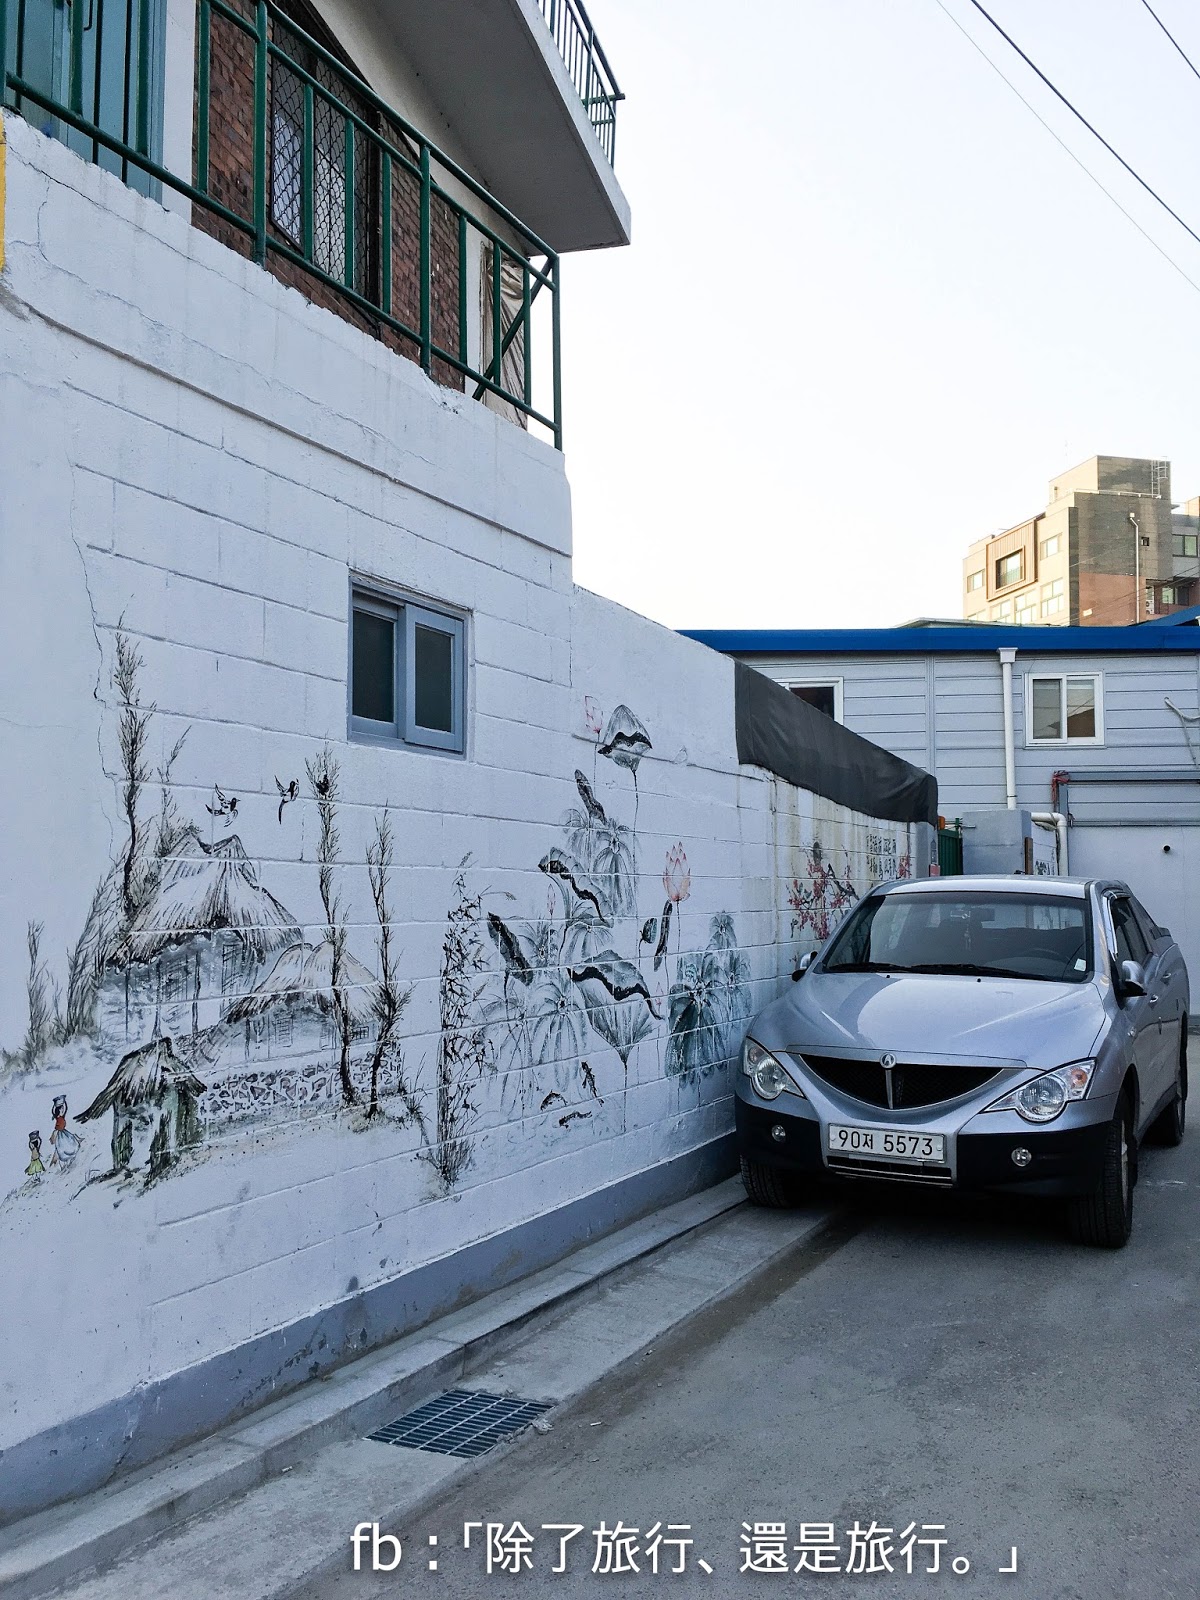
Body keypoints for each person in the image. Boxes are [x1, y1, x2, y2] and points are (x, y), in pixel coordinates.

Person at [49, 1095, 82, 1171]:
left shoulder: (62, 1116)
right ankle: (64, 1163)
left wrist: (64, 1102)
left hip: (64, 1133)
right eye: (61, 1109)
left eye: (62, 1109)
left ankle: (68, 1160)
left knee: (71, 1142)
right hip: (60, 1135)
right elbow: (54, 1112)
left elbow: (65, 1109)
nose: (62, 1110)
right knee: (63, 1147)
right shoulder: (58, 1118)